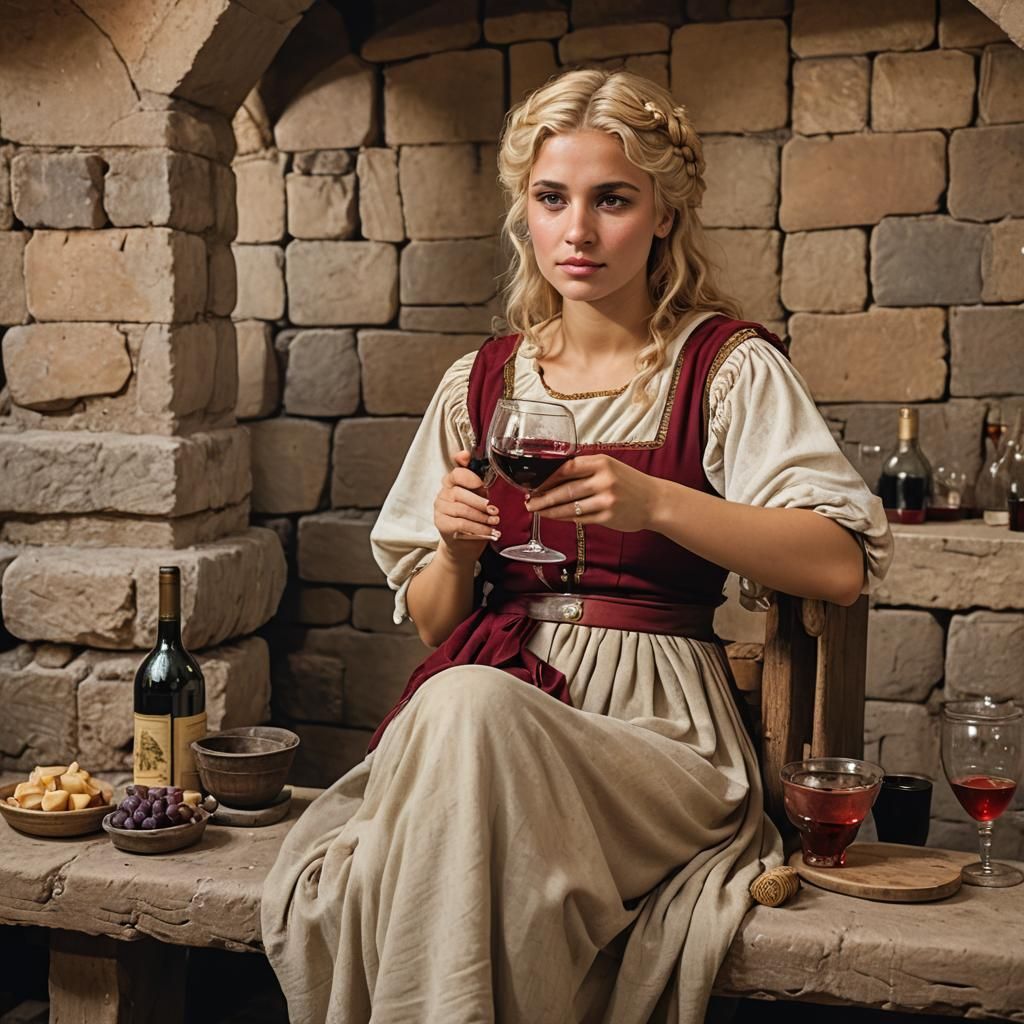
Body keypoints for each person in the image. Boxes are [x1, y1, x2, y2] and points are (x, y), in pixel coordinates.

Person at [261, 69, 893, 1024]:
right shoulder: (477, 384)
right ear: (527, 209)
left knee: (462, 709)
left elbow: (837, 563)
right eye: (553, 198)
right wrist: (458, 552)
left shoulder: (726, 367)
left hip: (660, 733)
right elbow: (434, 622)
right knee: (464, 699)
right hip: (483, 714)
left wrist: (661, 503)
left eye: (613, 200)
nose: (580, 232)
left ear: (664, 215)